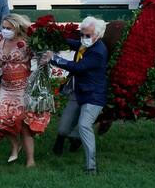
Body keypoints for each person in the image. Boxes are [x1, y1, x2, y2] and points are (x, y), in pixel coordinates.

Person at [42, 16, 108, 173]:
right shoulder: (87, 44)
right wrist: (54, 37)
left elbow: (78, 67)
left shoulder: (98, 52)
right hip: (78, 92)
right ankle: (74, 136)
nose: (83, 38)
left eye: (87, 35)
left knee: (85, 125)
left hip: (94, 96)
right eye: (82, 34)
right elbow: (76, 44)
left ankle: (91, 166)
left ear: (98, 35)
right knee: (63, 130)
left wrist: (54, 58)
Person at [0, 14, 50, 167]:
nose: (5, 30)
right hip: (5, 86)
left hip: (23, 87)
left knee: (23, 123)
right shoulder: (0, 40)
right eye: (3, 27)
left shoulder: (28, 42)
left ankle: (30, 160)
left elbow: (41, 56)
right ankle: (15, 146)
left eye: (8, 28)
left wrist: (45, 56)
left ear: (17, 28)